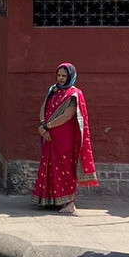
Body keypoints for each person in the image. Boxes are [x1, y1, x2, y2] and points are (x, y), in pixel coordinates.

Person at [32, 62, 98, 215]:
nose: (61, 78)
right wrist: (43, 126)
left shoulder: (74, 94)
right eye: (59, 75)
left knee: (65, 167)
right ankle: (51, 200)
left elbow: (67, 116)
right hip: (49, 135)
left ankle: (70, 203)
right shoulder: (53, 90)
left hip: (65, 138)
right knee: (49, 165)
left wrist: (47, 126)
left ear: (71, 76)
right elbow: (43, 108)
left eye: (64, 76)